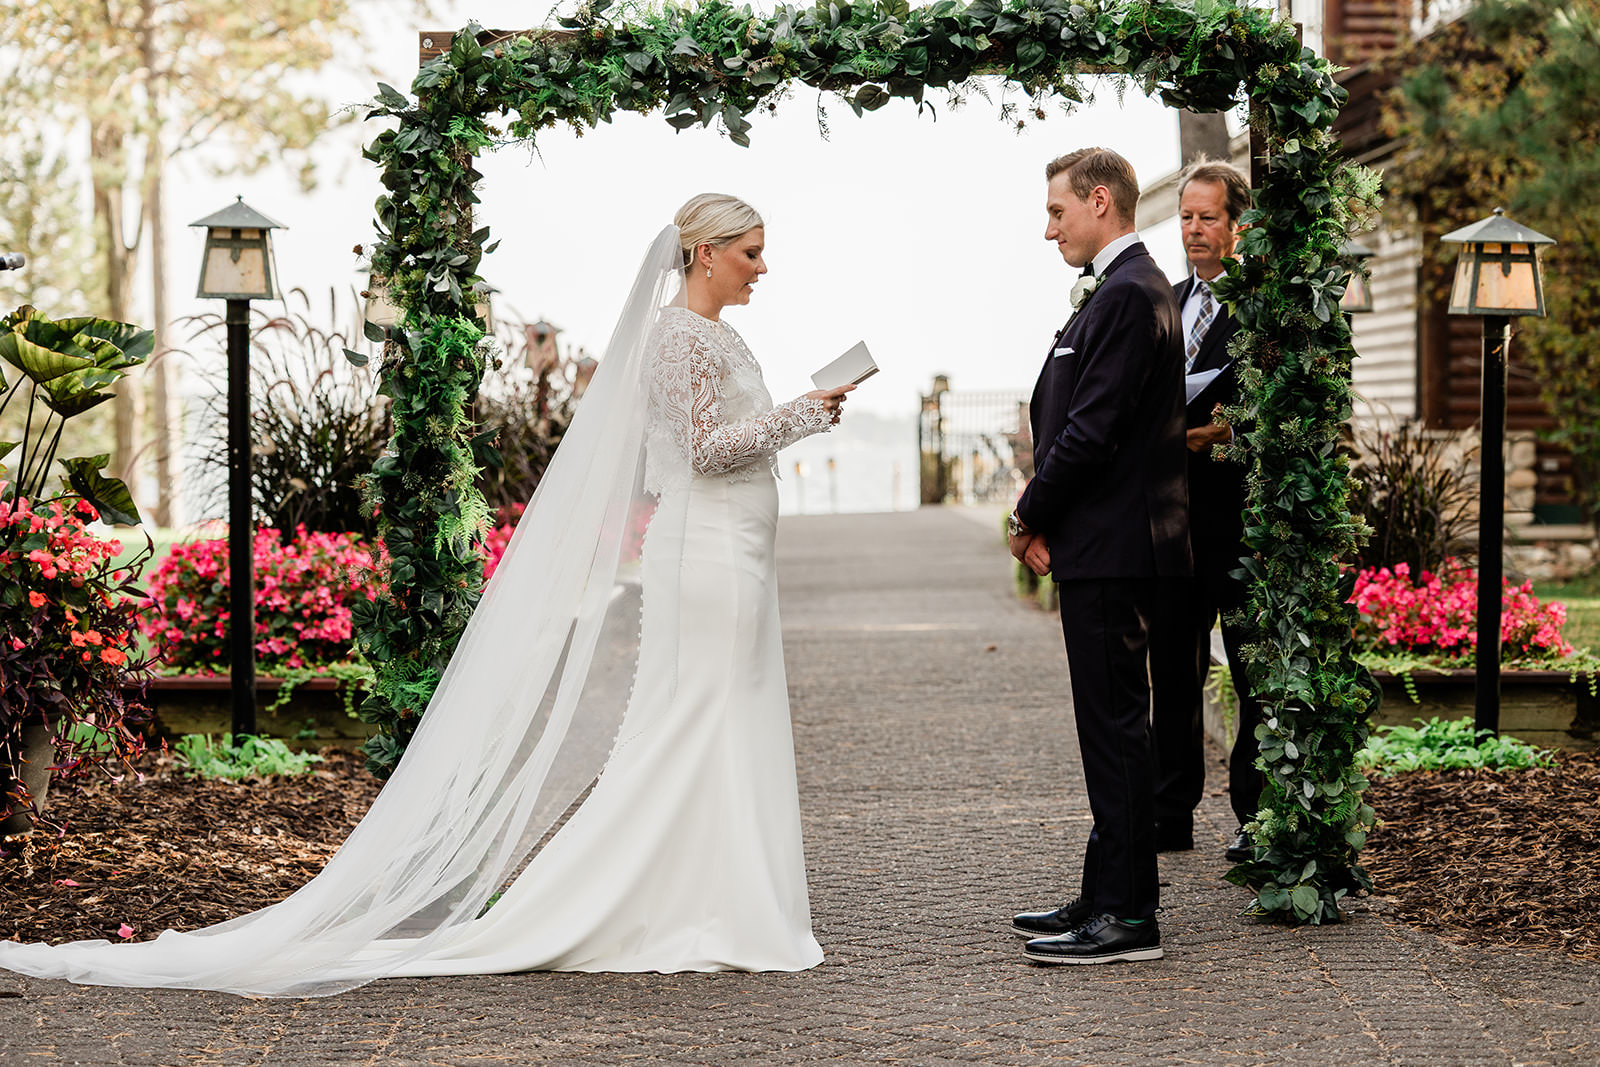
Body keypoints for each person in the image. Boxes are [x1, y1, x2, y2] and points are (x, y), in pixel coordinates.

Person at [0, 194, 854, 996]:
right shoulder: (677, 340)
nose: (761, 268)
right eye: (751, 253)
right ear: (704, 253)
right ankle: (661, 900)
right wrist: (805, 413)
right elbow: (707, 452)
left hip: (736, 548)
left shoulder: (716, 335)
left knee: (722, 716)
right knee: (695, 717)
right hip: (705, 550)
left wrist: (797, 413)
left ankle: (713, 893)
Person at [1006, 148, 1189, 965]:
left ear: (1102, 201)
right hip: (1107, 543)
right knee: (1109, 726)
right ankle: (1104, 887)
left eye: (1058, 212)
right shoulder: (1126, 288)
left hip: (1118, 546)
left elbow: (1090, 430)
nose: (1049, 230)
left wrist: (1026, 513)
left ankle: (1129, 915)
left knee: (1117, 728)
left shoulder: (1127, 293)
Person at [1145, 160, 1265, 864]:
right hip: (1172, 523)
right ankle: (1172, 812)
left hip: (1243, 522)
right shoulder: (1163, 299)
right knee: (1175, 673)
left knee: (1252, 676)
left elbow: (1291, 410)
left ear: (1237, 225)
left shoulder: (1266, 307)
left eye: (1207, 217)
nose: (1193, 229)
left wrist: (1229, 431)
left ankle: (1253, 816)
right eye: (1186, 217)